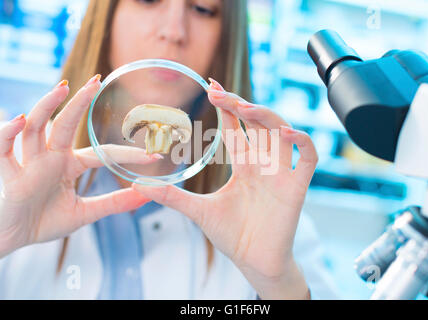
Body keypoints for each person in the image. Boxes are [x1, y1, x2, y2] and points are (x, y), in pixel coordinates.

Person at [0, 0, 340, 299]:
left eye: (203, 8)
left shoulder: (274, 225)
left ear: (226, 38)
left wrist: (279, 286)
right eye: (148, 0)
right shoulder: (12, 191)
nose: (174, 31)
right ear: (106, 15)